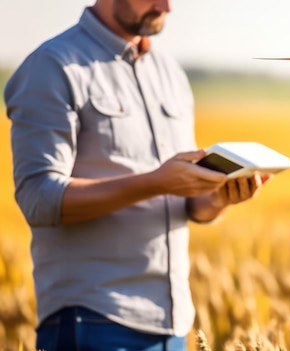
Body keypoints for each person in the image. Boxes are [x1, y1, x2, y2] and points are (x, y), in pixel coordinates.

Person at [4, 1, 269, 350]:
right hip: (92, 319)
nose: (167, 7)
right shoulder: (53, 67)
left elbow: (186, 203)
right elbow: (39, 198)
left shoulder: (170, 73)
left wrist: (219, 197)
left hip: (174, 325)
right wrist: (155, 182)